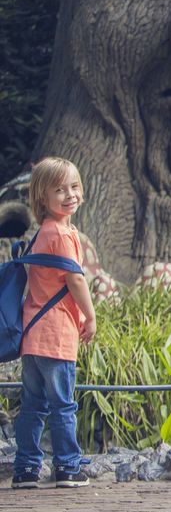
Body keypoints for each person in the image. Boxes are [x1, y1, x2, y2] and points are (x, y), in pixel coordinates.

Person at [12, 157, 96, 489]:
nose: (70, 194)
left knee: (33, 405)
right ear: (41, 198)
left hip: (33, 336)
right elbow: (75, 281)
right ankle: (67, 467)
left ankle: (27, 469)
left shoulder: (44, 232)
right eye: (59, 190)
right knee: (63, 405)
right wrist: (90, 316)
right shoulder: (60, 234)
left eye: (74, 186)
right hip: (57, 336)